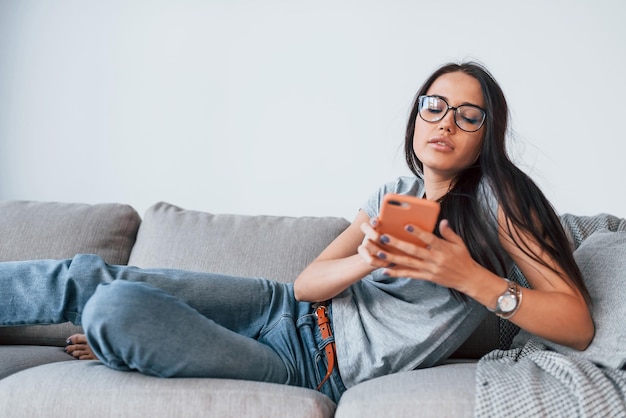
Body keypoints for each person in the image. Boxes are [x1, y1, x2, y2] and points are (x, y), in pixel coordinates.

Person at [1, 61, 594, 403]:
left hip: (313, 365)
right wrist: (366, 257)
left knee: (117, 310)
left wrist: (466, 276)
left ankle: (130, 331)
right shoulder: (394, 195)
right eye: (433, 105)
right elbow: (308, 284)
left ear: (487, 134)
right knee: (90, 276)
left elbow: (577, 324)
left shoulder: (501, 204)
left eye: (469, 115)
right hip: (278, 305)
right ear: (417, 116)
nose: (446, 122)